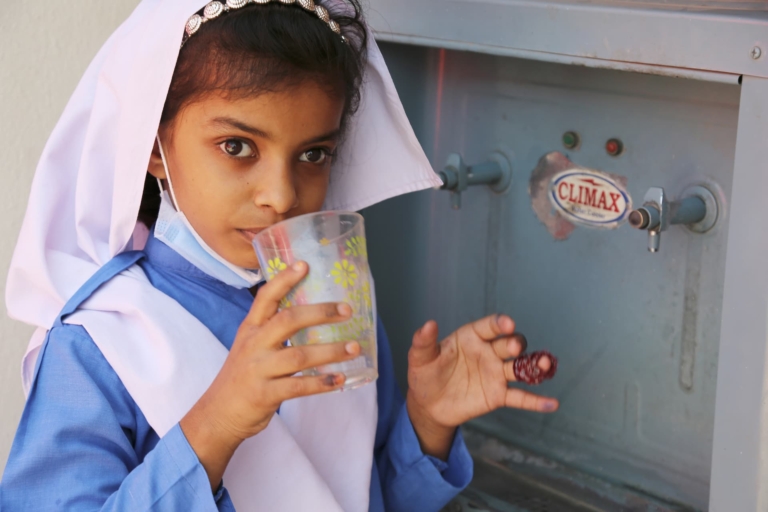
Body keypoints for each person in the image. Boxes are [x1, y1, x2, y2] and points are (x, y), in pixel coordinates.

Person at [0, 1, 558, 510]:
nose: (282, 195)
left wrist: (427, 423)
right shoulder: (100, 342)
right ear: (153, 145)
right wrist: (217, 423)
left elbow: (364, 497)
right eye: (237, 147)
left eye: (314, 153)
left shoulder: (331, 305)